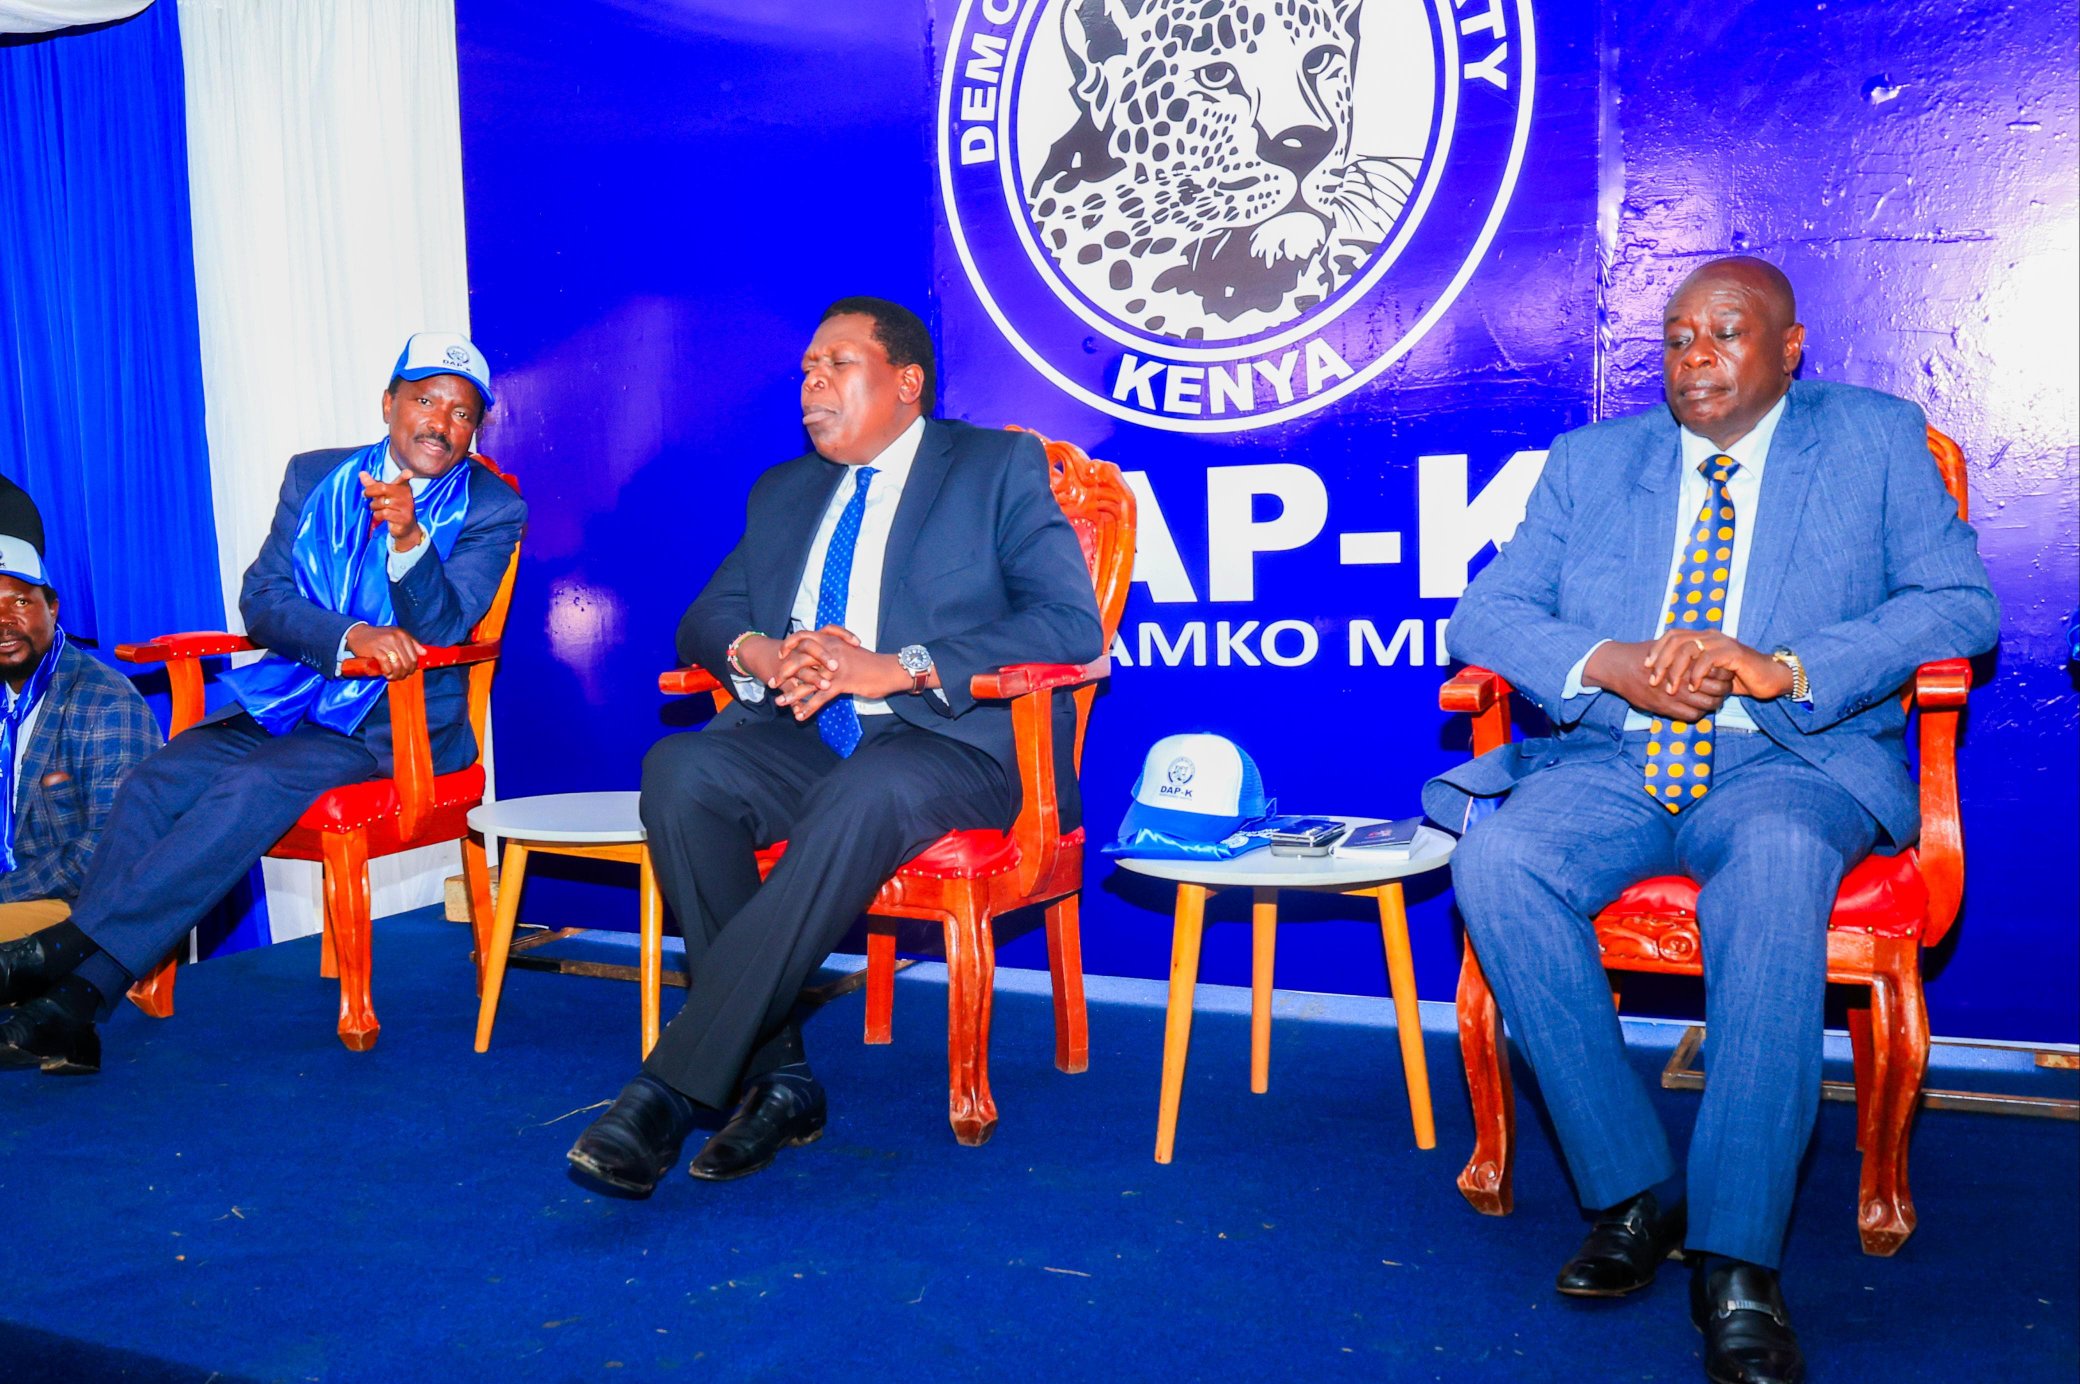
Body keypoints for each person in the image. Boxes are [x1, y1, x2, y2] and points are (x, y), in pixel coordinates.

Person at [1424, 257, 1998, 1384]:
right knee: (1498, 857)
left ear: (1789, 349)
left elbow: (1958, 604)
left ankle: (1735, 1257)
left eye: (1726, 335)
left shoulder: (1876, 440)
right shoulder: (1594, 463)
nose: (1695, 358)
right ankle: (1633, 1190)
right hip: (1616, 757)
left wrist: (1784, 666)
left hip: (1792, 762)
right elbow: (1482, 612)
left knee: (1779, 867)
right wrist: (1613, 665)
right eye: (1678, 337)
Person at [566, 297, 1103, 1195]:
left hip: (953, 745)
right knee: (684, 770)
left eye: (837, 365)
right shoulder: (784, 491)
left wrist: (896, 667)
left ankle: (666, 1088)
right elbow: (707, 616)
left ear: (906, 383)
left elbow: (1067, 622)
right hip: (809, 735)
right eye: (807, 370)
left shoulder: (991, 467)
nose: (813, 384)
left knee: (872, 788)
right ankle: (779, 1079)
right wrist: (763, 653)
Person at [0, 333, 527, 1075]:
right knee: (160, 777)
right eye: (425, 399)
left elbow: (442, 628)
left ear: (476, 430)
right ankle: (78, 1009)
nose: (442, 422)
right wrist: (352, 635)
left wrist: (409, 540)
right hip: (292, 698)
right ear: (389, 404)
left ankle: (73, 971)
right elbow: (264, 600)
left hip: (392, 726)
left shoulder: (492, 507)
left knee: (254, 784)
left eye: (463, 412)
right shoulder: (314, 477)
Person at [0, 530, 162, 941]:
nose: (4, 621)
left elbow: (109, 849)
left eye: (19, 602)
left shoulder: (106, 701)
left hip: (82, 907)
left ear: (52, 609)